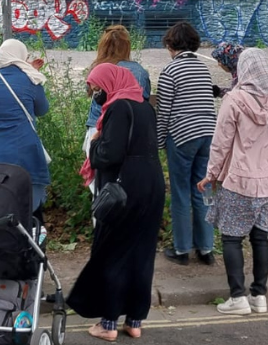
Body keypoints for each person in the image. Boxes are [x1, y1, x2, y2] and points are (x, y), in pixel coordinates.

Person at [68, 64, 165, 341]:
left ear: (111, 83)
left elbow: (110, 154)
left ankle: (108, 323)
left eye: (98, 88)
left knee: (112, 251)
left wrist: (95, 143)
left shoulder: (118, 107)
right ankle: (134, 321)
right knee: (141, 253)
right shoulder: (145, 106)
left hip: (124, 189)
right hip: (152, 184)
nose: (96, 93)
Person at [198, 48, 268, 315]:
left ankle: (237, 297)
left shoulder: (234, 100)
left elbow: (221, 143)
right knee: (261, 239)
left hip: (239, 180)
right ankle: (259, 296)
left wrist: (211, 174)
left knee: (231, 238)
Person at [211, 42, 268, 244]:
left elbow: (240, 109)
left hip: (265, 138)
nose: (219, 66)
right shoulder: (258, 75)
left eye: (219, 62)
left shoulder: (244, 78)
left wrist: (213, 172)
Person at [154, 21, 218, 266]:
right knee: (204, 190)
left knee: (180, 193)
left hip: (182, 136)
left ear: (171, 45)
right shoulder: (203, 68)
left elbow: (165, 111)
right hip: (208, 136)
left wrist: (159, 142)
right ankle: (207, 248)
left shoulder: (171, 71)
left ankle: (181, 249)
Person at [0, 39, 51, 212]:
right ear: (21, 56)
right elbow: (42, 109)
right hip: (21, 148)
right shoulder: (30, 78)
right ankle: (27, 233)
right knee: (25, 200)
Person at [84, 26, 151, 168]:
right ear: (127, 47)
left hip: (98, 126)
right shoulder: (139, 72)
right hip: (131, 130)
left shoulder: (98, 67)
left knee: (102, 179)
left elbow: (89, 92)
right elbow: (141, 102)